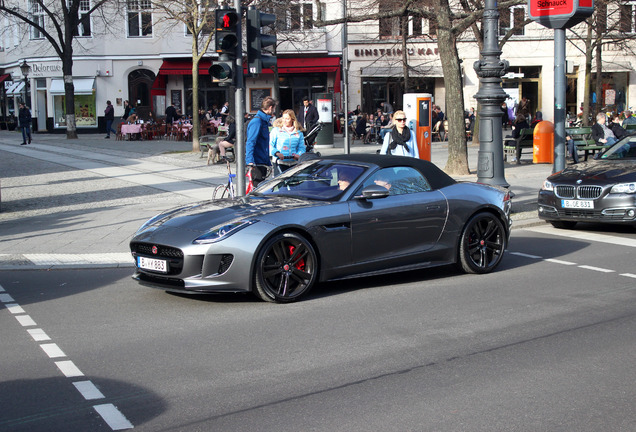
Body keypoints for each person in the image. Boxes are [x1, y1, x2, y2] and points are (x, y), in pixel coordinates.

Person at [246, 96, 277, 187]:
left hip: (262, 161)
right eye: (274, 108)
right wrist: (250, 161)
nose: (274, 111)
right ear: (270, 108)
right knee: (257, 190)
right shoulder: (257, 121)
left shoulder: (263, 121)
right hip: (257, 163)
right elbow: (250, 142)